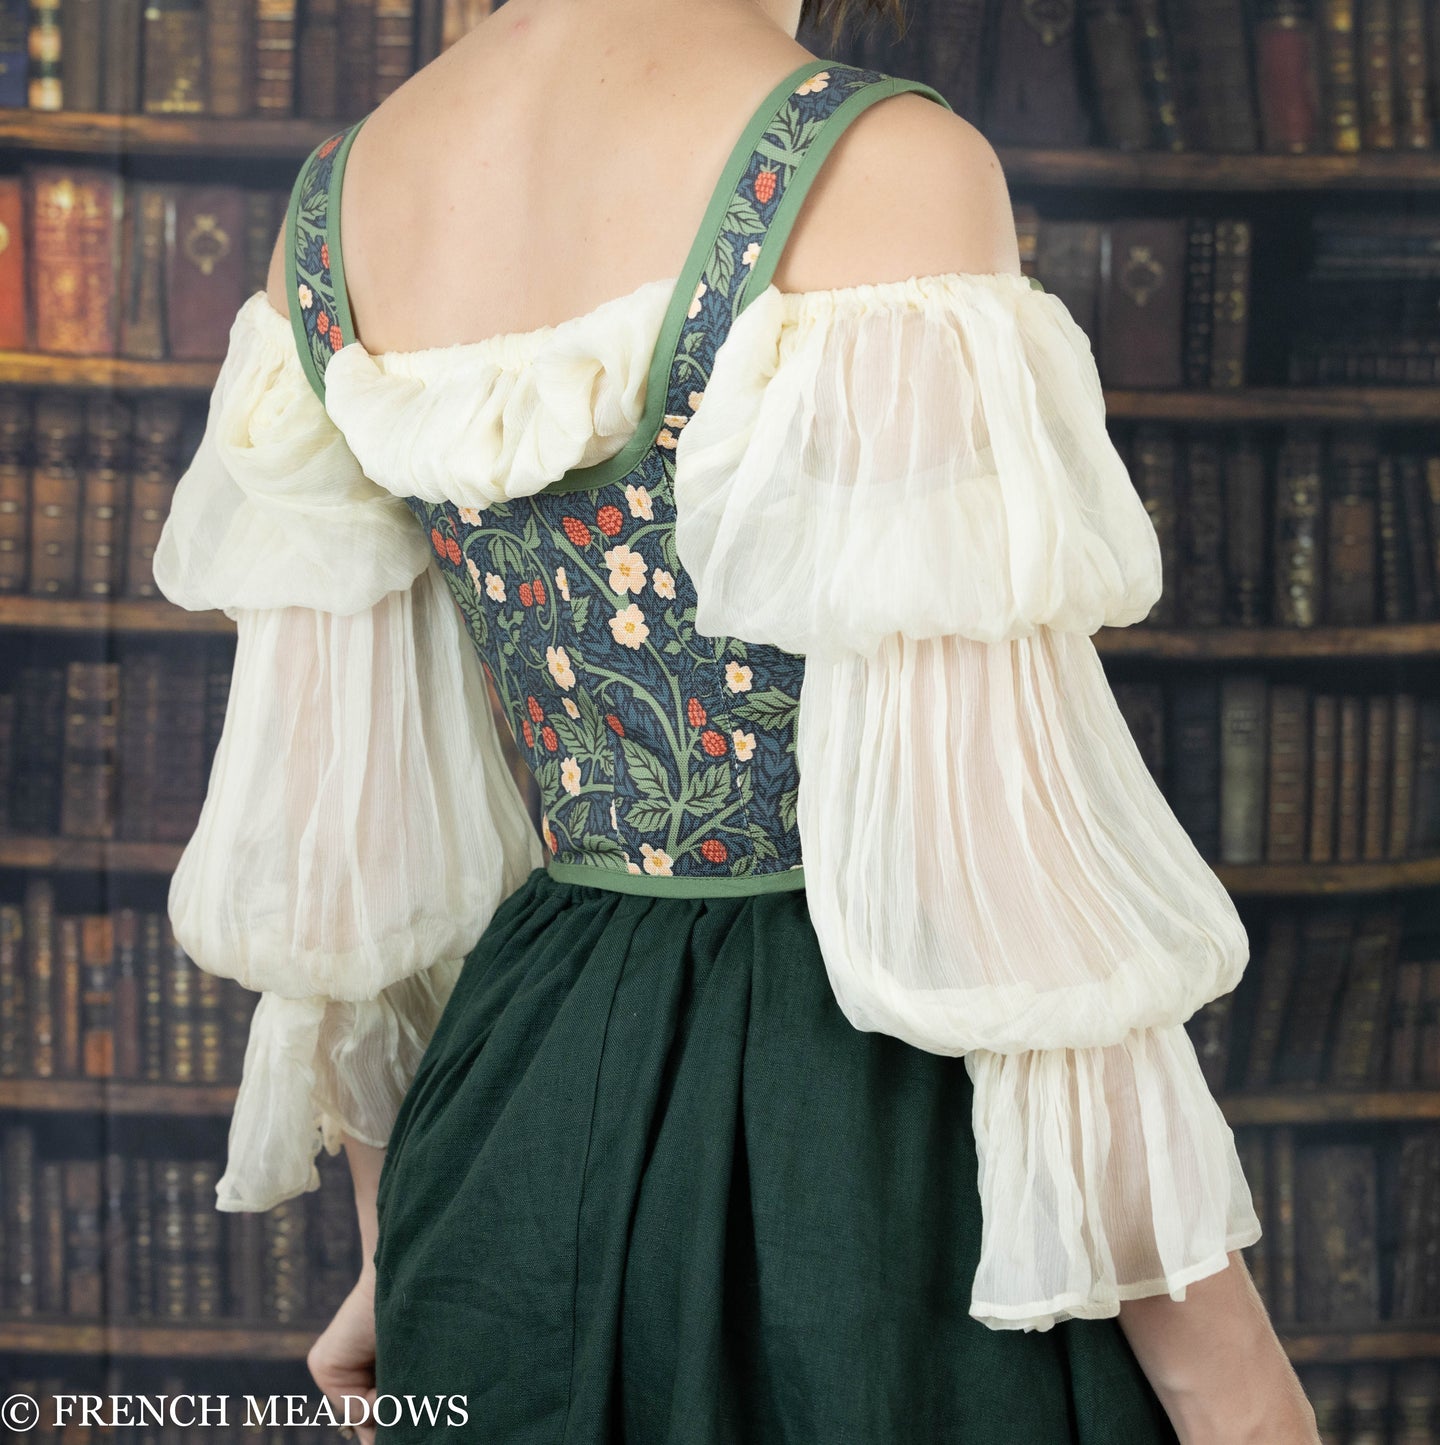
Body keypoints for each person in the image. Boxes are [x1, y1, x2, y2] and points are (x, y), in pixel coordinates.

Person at [151, 0, 1324, 1436]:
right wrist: (1229, 1376)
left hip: (510, 1138)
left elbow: (348, 857)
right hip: (860, 1148)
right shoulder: (881, 168)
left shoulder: (338, 202)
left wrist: (405, 1240)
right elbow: (989, 869)